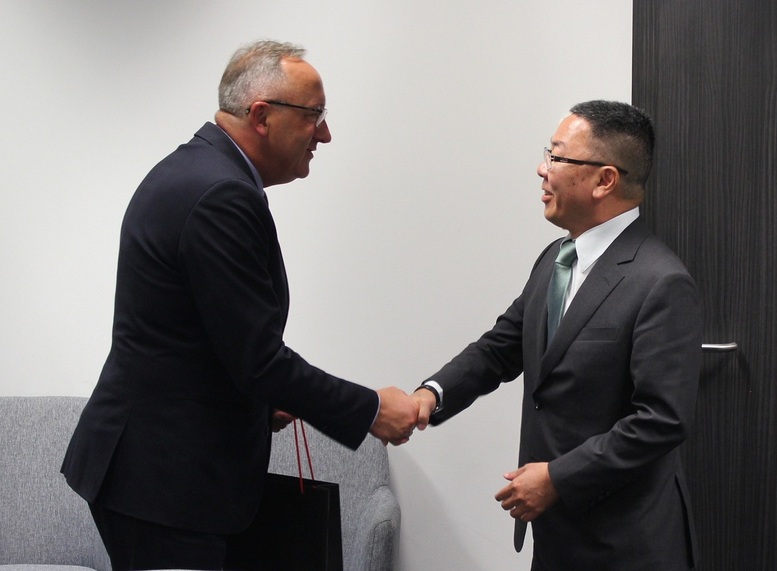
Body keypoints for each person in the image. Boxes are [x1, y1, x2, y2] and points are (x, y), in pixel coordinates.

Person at [61, 40, 418, 570]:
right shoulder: (220, 195)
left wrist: (260, 399)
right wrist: (369, 409)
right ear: (261, 116)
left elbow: (202, 339)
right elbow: (257, 359)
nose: (324, 134)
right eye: (314, 116)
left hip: (158, 474)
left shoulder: (201, 172)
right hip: (166, 486)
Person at [412, 100, 702, 570]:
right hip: (556, 533)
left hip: (624, 543)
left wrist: (558, 478)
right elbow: (501, 347)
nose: (541, 169)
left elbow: (661, 420)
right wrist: (431, 395)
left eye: (557, 157)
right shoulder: (555, 258)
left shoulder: (660, 281)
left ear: (605, 179)